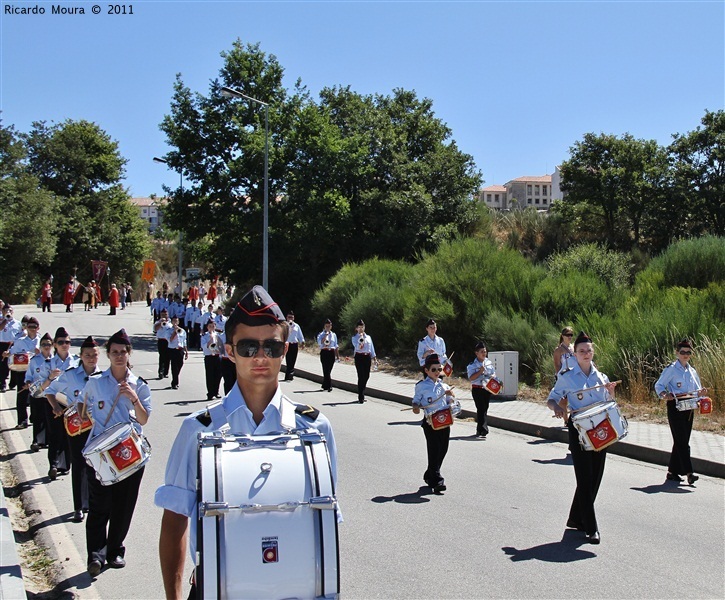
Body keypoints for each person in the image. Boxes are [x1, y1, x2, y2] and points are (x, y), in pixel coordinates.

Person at [155, 285, 339, 599]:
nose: (261, 357)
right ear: (229, 351)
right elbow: (174, 521)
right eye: (248, 347)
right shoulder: (198, 431)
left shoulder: (315, 429)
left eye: (272, 347)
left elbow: (324, 520)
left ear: (285, 349)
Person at [82, 329, 151, 576]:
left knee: (124, 505)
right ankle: (95, 555)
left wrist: (133, 398)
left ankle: (115, 551)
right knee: (99, 505)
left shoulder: (139, 385)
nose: (119, 356)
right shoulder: (96, 382)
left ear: (129, 353)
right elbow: (83, 408)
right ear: (108, 355)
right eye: (114, 352)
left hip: (129, 454)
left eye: (123, 352)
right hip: (101, 454)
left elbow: (143, 419)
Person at [547, 331, 618, 544]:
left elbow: (609, 402)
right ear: (575, 354)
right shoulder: (567, 376)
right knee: (584, 477)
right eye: (581, 351)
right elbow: (552, 399)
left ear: (593, 352)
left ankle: (576, 518)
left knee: (595, 476)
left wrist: (611, 392)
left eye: (588, 350)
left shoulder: (601, 377)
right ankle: (591, 527)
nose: (586, 354)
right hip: (579, 430)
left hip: (600, 429)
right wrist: (557, 408)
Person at [46, 336, 100, 523]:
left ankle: (90, 502)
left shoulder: (103, 377)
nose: (91, 358)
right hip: (76, 427)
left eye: (94, 355)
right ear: (81, 356)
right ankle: (78, 507)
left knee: (94, 465)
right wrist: (55, 406)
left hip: (96, 427)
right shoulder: (70, 375)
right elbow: (50, 390)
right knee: (78, 464)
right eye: (87, 355)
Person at [654, 339, 704, 486]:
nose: (685, 355)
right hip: (675, 406)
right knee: (682, 441)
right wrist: (664, 394)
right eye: (682, 352)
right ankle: (689, 473)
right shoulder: (671, 369)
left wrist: (701, 394)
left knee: (682, 440)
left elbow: (697, 390)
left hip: (689, 407)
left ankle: (672, 472)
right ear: (677, 353)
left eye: (688, 352)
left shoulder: (692, 371)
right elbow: (659, 385)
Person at [412, 354, 456, 493]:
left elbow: (449, 402)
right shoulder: (421, 386)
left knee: (443, 449)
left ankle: (429, 474)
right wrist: (415, 407)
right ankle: (437, 481)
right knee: (434, 450)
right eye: (434, 369)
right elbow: (416, 401)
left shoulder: (443, 385)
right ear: (426, 370)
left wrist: (451, 397)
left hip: (445, 422)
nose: (437, 372)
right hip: (431, 423)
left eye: (439, 369)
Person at [41, 327, 78, 478]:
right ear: (55, 344)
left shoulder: (77, 361)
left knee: (70, 433)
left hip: (71, 403)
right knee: (55, 434)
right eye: (61, 342)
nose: (64, 345)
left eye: (67, 342)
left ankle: (65, 465)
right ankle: (54, 465)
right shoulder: (48, 363)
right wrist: (50, 377)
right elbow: (41, 388)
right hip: (52, 401)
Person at [7, 316, 41, 431]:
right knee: (22, 396)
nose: (32, 329)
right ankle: (22, 420)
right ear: (26, 327)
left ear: (38, 328)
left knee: (36, 396)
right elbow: (12, 352)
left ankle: (34, 417)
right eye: (30, 326)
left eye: (34, 327)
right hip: (22, 370)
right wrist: (7, 353)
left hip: (37, 372)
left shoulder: (41, 341)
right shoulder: (20, 341)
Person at [24, 332, 55, 455]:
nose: (46, 347)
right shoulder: (34, 360)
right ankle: (36, 441)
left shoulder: (56, 360)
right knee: (37, 418)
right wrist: (28, 382)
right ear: (40, 346)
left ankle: (47, 441)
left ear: (52, 346)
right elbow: (29, 375)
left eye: (48, 344)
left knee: (49, 420)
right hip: (37, 393)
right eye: (44, 344)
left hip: (51, 395)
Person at [467, 341, 497, 439]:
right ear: (477, 353)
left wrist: (493, 377)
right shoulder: (472, 365)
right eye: (482, 352)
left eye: (485, 351)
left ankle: (480, 429)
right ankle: (484, 429)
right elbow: (471, 378)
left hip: (487, 389)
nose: (484, 353)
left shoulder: (488, 362)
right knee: (481, 408)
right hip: (477, 389)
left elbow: (493, 373)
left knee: (485, 408)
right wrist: (480, 371)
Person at [352, 319, 377, 403]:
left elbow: (371, 348)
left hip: (367, 357)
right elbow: (357, 347)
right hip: (359, 357)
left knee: (366, 376)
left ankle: (362, 390)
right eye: (359, 327)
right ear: (356, 328)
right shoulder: (354, 338)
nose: (361, 329)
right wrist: (360, 340)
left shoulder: (368, 337)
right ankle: (361, 396)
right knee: (361, 376)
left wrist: (374, 358)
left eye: (362, 327)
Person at [0, 306, 22, 392]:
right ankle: (2, 384)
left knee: (14, 364)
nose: (8, 312)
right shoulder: (1, 321)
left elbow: (21, 334)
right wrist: (5, 319)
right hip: (2, 344)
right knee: (3, 366)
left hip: (14, 344)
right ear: (2, 311)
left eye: (10, 310)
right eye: (6, 310)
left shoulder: (17, 323)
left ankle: (13, 383)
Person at [200, 320, 222, 400]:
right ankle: (210, 393)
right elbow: (203, 346)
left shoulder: (218, 335)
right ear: (207, 327)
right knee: (210, 375)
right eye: (210, 326)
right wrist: (211, 339)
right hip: (209, 357)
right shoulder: (204, 336)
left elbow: (221, 346)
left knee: (218, 375)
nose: (212, 328)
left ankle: (216, 392)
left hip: (217, 356)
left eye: (213, 326)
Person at [317, 319, 339, 392]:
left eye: (329, 326)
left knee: (329, 369)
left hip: (331, 352)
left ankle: (325, 385)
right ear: (324, 326)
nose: (328, 327)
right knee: (325, 369)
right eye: (326, 326)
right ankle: (329, 386)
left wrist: (337, 356)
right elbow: (319, 343)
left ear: (331, 327)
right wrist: (325, 336)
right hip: (324, 352)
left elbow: (336, 345)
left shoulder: (333, 335)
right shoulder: (321, 334)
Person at [167, 316, 188, 390]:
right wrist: (174, 332)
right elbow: (170, 340)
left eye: (176, 321)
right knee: (174, 366)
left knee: (180, 364)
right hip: (172, 349)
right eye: (174, 321)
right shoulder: (169, 330)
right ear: (172, 322)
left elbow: (184, 341)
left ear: (178, 322)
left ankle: (175, 378)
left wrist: (186, 351)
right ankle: (175, 383)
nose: (175, 322)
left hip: (180, 350)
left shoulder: (182, 330)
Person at [284, 311, 304, 381]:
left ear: (294, 318)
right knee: (288, 359)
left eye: (292, 317)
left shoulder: (296, 326)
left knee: (293, 359)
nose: (290, 319)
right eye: (289, 317)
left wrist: (302, 342)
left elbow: (300, 335)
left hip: (294, 344)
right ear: (286, 317)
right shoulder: (284, 325)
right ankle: (288, 375)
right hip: (287, 344)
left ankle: (290, 375)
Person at [154, 309, 173, 379]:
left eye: (165, 314)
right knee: (162, 356)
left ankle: (166, 372)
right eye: (162, 314)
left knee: (168, 357)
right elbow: (155, 329)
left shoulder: (170, 323)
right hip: (161, 341)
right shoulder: (157, 322)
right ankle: (161, 372)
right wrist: (160, 323)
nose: (164, 316)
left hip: (168, 341)